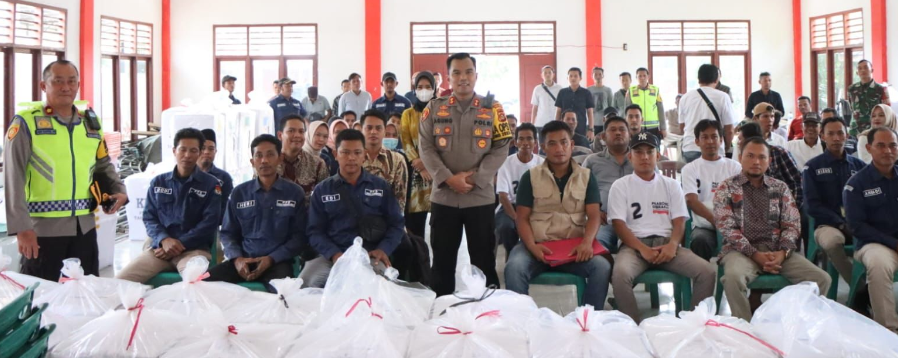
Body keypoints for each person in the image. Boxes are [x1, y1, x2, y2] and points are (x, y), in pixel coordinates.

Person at [4, 60, 128, 280]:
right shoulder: (26, 123)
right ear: (44, 86)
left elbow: (102, 163)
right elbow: (13, 178)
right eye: (58, 81)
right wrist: (22, 228)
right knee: (43, 296)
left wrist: (119, 190)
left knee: (85, 292)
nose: (66, 87)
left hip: (85, 227)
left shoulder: (89, 122)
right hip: (42, 230)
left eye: (72, 81)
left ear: (78, 85)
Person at [418, 52, 513, 295]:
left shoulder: (493, 108)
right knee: (442, 263)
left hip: (479, 197)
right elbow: (425, 146)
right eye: (457, 73)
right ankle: (442, 315)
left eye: (468, 72)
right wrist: (448, 178)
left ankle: (488, 313)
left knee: (484, 262)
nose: (463, 78)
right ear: (448, 78)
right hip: (444, 197)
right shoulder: (434, 108)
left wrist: (475, 178)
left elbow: (502, 146)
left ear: (476, 75)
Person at [716, 137, 831, 321]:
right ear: (740, 157)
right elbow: (727, 228)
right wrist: (755, 254)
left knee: (822, 279)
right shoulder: (727, 188)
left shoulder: (780, 188)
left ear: (769, 161)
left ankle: (798, 326)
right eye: (750, 156)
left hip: (777, 251)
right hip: (740, 252)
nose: (756, 162)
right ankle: (745, 330)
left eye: (762, 157)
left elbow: (792, 225)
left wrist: (783, 253)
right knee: (732, 278)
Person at [609, 131, 715, 322]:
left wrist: (673, 245)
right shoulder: (620, 185)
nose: (645, 157)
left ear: (658, 155)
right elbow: (619, 224)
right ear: (630, 156)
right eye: (638, 152)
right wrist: (642, 249)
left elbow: (680, 221)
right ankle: (633, 329)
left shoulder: (672, 184)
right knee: (620, 274)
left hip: (667, 244)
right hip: (634, 246)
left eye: (650, 152)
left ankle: (693, 324)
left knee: (706, 271)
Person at [504, 121, 611, 308]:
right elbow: (521, 218)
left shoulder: (586, 176)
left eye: (564, 142)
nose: (559, 148)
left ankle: (588, 320)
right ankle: (521, 323)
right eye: (552, 143)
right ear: (543, 147)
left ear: (572, 145)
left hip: (573, 249)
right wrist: (531, 246)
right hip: (537, 247)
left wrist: (586, 243)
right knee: (514, 268)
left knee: (602, 267)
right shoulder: (530, 177)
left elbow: (594, 216)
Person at [301, 129, 404, 288]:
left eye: (357, 152)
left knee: (382, 287)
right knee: (308, 284)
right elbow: (314, 231)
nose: (351, 158)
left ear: (364, 155)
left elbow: (396, 224)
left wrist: (383, 249)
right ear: (336, 154)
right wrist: (334, 254)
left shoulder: (380, 186)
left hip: (369, 255)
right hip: (332, 257)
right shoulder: (322, 190)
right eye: (345, 152)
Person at [116, 128, 222, 283]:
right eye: (182, 149)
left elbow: (209, 223)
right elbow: (149, 217)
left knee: (194, 284)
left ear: (199, 153)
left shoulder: (211, 185)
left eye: (193, 150)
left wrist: (179, 245)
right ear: (174, 151)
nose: (187, 155)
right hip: (160, 250)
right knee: (121, 280)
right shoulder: (158, 182)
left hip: (194, 251)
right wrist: (164, 240)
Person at [207, 134, 305, 291]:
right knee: (203, 282)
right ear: (252, 161)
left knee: (284, 295)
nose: (264, 160)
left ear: (280, 158)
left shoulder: (294, 193)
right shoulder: (239, 193)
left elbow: (299, 237)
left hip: (277, 263)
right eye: (259, 155)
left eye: (270, 155)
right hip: (242, 261)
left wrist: (271, 259)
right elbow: (227, 233)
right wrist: (237, 259)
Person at [844, 127, 898, 332]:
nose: (888, 150)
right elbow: (857, 226)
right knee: (878, 264)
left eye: (893, 145)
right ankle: (889, 331)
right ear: (869, 148)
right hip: (874, 245)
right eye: (881, 145)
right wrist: (894, 243)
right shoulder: (856, 184)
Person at [804, 116, 866, 284]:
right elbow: (812, 206)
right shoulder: (812, 167)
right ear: (822, 136)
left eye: (840, 133)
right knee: (832, 242)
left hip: (857, 224)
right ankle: (859, 289)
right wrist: (839, 223)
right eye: (831, 134)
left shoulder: (859, 166)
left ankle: (876, 284)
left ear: (847, 135)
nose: (836, 138)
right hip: (828, 225)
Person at [681, 119, 742, 261]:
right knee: (699, 241)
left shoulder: (734, 167)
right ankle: (703, 280)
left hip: (733, 225)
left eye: (714, 137)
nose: (710, 141)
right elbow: (691, 200)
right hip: (704, 226)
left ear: (721, 140)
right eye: (704, 137)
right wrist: (716, 221)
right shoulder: (690, 169)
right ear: (697, 141)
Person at [582, 116, 632, 252]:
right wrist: (593, 212)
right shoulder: (592, 161)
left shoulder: (641, 160)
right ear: (603, 136)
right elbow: (578, 191)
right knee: (597, 248)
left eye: (622, 129)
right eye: (613, 130)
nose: (618, 133)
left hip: (635, 222)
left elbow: (656, 187)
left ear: (629, 134)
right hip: (604, 222)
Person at [495, 123, 543, 257]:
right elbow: (503, 196)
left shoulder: (542, 164)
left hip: (535, 207)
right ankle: (511, 255)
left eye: (529, 138)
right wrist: (517, 219)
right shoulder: (506, 163)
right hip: (510, 206)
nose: (525, 142)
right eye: (521, 139)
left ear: (535, 142)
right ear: (515, 142)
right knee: (506, 227)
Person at [400, 71, 436, 237]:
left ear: (434, 89)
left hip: (437, 171)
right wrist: (418, 163)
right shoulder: (408, 114)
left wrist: (428, 163)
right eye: (420, 87)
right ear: (414, 90)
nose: (424, 90)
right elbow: (405, 140)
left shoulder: (442, 113)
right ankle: (418, 261)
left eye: (428, 87)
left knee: (440, 225)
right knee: (415, 226)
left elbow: (444, 143)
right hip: (415, 173)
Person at [678, 64, 736, 163]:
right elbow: (729, 129)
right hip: (714, 148)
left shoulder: (685, 98)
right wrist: (725, 147)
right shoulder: (723, 97)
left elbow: (682, 127)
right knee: (715, 178)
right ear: (717, 79)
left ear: (698, 79)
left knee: (692, 178)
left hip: (690, 147)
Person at [736, 122, 803, 205]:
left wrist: (793, 206)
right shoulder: (743, 158)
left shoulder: (778, 153)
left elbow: (797, 181)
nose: (738, 143)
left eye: (740, 139)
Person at [360, 109, 408, 212]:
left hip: (386, 220)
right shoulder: (353, 157)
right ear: (361, 130)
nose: (373, 132)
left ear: (384, 131)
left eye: (378, 128)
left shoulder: (397, 159)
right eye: (369, 128)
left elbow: (400, 199)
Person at [277, 114, 329, 204]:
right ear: (280, 135)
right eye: (291, 131)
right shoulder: (269, 164)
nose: (297, 135)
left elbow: (325, 198)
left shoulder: (317, 164)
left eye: (301, 131)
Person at [848, 60, 892, 137]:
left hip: (874, 130)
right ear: (857, 72)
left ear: (871, 70)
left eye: (866, 67)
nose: (863, 70)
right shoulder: (852, 89)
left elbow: (887, 111)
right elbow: (852, 107)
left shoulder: (881, 89)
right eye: (860, 68)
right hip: (855, 130)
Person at [198, 129, 234, 218]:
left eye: (211, 149)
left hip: (213, 227)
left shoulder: (224, 177)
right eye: (203, 148)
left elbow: (226, 207)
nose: (207, 152)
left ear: (215, 151)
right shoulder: (187, 174)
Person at [554, 67, 595, 141]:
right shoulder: (562, 92)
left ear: (580, 78)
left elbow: (590, 112)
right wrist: (556, 127)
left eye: (575, 76)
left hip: (581, 128)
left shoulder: (586, 93)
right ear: (567, 78)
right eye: (571, 76)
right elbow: (558, 111)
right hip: (564, 128)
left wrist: (591, 129)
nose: (573, 78)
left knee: (581, 149)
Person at [625, 67, 666, 139]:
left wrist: (663, 128)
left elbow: (661, 109)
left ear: (648, 77)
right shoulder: (631, 91)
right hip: (636, 127)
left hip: (653, 127)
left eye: (644, 75)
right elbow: (626, 111)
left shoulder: (655, 90)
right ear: (636, 77)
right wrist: (626, 128)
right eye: (640, 76)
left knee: (654, 148)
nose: (642, 78)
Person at [529, 65, 563, 135]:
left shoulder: (559, 88)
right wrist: (532, 123)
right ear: (542, 75)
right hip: (541, 123)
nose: (547, 75)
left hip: (555, 123)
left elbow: (562, 106)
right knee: (542, 144)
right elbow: (535, 107)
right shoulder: (537, 89)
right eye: (545, 73)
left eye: (549, 73)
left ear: (553, 74)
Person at [587, 67, 613, 133]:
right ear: (592, 76)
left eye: (600, 74)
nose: (598, 76)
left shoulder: (608, 90)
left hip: (605, 122)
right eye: (595, 74)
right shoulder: (588, 90)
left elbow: (611, 107)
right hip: (592, 123)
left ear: (603, 75)